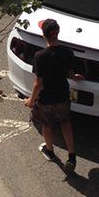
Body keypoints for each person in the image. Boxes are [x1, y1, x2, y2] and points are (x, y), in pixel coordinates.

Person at [24, 17, 83, 174]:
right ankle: (71, 156)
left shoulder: (40, 56)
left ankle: (50, 151)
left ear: (44, 35)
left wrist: (31, 99)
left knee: (47, 125)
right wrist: (76, 77)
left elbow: (39, 83)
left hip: (46, 99)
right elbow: (70, 73)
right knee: (65, 122)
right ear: (57, 34)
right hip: (62, 95)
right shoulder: (67, 52)